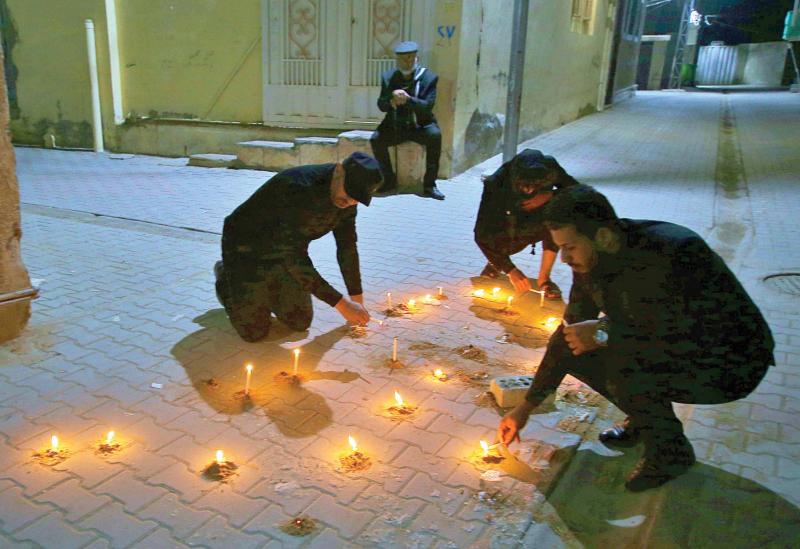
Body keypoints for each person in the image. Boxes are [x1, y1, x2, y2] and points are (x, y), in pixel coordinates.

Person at [497, 184, 774, 491]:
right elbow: (568, 333)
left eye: (570, 247)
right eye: (560, 247)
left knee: (625, 365)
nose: (564, 258)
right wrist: (526, 407)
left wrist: (604, 332)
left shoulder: (675, 252)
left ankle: (670, 452)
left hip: (729, 361)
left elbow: (689, 330)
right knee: (573, 344)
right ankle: (647, 418)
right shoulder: (589, 261)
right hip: (669, 347)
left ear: (602, 236)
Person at [214, 152, 382, 342]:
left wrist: (356, 302)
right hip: (245, 248)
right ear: (338, 170)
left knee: (300, 322)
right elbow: (294, 257)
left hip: (283, 253)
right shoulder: (298, 189)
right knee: (254, 332)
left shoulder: (347, 200)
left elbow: (347, 247)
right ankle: (225, 277)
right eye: (349, 193)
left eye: (357, 199)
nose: (350, 202)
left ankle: (266, 289)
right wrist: (341, 304)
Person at [474, 149, 577, 299]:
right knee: (497, 242)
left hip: (540, 219)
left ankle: (544, 279)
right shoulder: (496, 184)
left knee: (558, 218)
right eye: (524, 186)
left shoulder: (550, 168)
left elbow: (577, 190)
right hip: (508, 221)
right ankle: (496, 262)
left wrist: (549, 195)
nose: (529, 191)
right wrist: (511, 270)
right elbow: (481, 235)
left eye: (535, 186)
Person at [370, 41, 445, 201]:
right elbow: (381, 106)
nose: (407, 62)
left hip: (420, 125)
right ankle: (389, 180)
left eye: (410, 58)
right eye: (403, 59)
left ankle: (430, 185)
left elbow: (427, 107)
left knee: (435, 136)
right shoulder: (388, 77)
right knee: (376, 139)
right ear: (397, 60)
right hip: (396, 126)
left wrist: (409, 100)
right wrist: (391, 98)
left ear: (416, 58)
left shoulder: (429, 78)